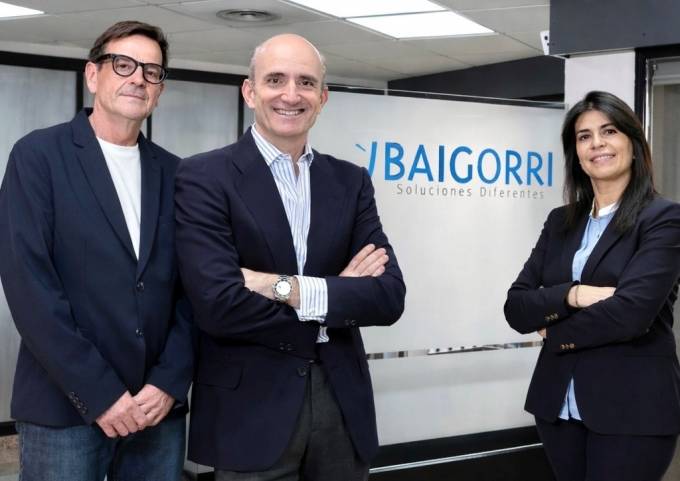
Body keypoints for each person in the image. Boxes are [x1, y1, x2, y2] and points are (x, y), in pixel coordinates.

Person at [175, 33, 406, 481]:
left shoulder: (350, 181)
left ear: (322, 98)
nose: (291, 94)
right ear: (250, 92)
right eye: (275, 79)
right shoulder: (204, 176)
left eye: (305, 82)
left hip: (342, 405)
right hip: (250, 412)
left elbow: (388, 296)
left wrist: (281, 287)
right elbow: (217, 305)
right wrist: (336, 295)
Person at [0, 21, 193, 481]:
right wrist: (102, 393)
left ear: (159, 90)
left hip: (155, 410)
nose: (138, 78)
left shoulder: (177, 174)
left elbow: (193, 291)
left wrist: (169, 381)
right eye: (123, 65)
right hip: (65, 406)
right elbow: (30, 288)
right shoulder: (38, 156)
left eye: (151, 71)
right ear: (93, 75)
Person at [504, 90, 680, 481]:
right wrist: (575, 294)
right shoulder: (560, 221)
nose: (597, 143)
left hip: (632, 409)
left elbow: (631, 314)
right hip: (558, 406)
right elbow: (516, 307)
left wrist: (554, 328)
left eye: (609, 131)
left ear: (633, 143)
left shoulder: (663, 219)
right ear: (577, 154)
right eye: (584, 136)